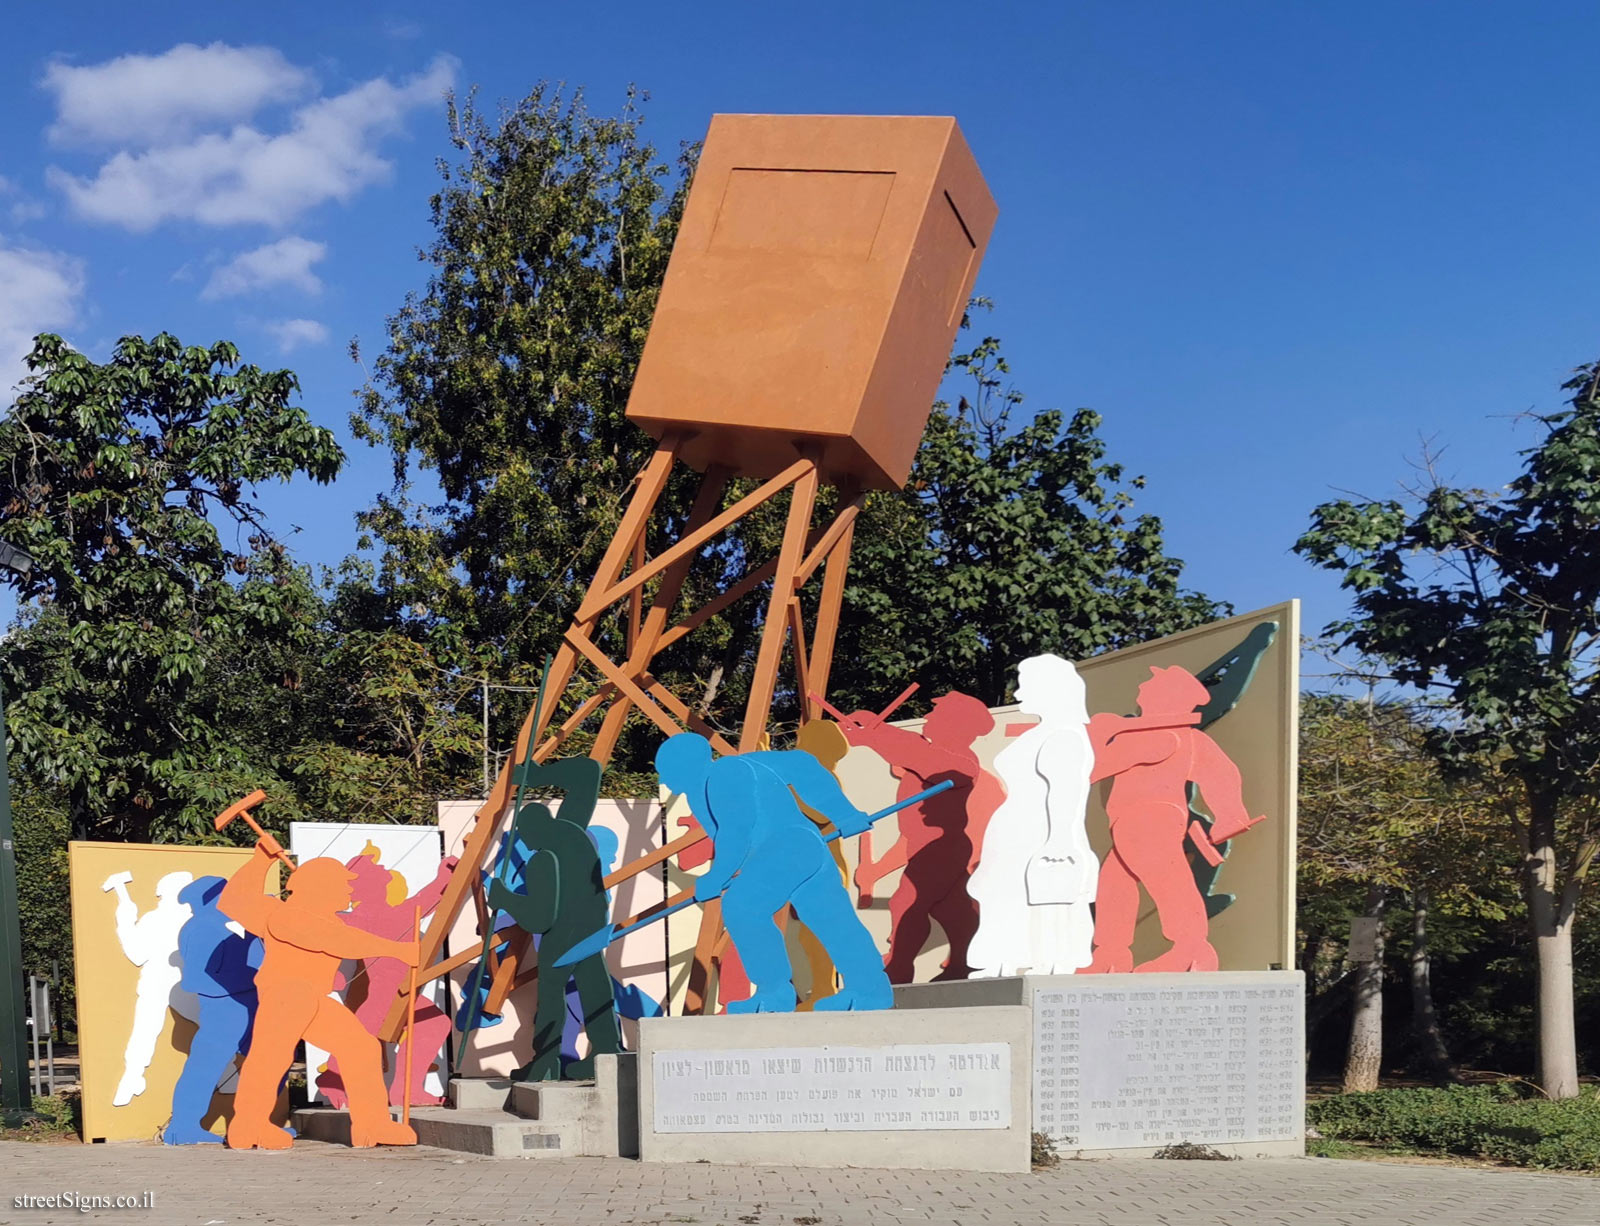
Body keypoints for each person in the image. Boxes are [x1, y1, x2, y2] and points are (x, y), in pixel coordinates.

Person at [655, 733, 892, 1012]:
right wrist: (844, 814)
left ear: (687, 766)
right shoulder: (726, 776)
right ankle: (870, 990)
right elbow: (802, 764)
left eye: (667, 773)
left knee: (743, 906)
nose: (664, 782)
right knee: (830, 917)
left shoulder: (725, 772)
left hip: (787, 847)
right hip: (802, 847)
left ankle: (774, 994)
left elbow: (736, 830)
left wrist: (716, 877)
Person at [219, 838, 419, 1149]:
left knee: (361, 1048)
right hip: (286, 994)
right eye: (343, 885)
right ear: (320, 886)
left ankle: (373, 1125)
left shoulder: (326, 918)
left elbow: (341, 935)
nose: (349, 891)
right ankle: (249, 1125)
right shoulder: (286, 915)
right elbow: (235, 901)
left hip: (313, 998)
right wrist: (261, 860)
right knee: (271, 1056)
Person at [1084, 665, 1264, 973]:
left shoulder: (1162, 737)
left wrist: (1097, 735)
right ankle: (1111, 955)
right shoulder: (1167, 735)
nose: (1143, 685)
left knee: (1167, 881)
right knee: (1116, 886)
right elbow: (1222, 773)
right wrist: (1230, 813)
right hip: (1131, 824)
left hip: (1149, 822)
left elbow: (1092, 769)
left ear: (1167, 696)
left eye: (1153, 682)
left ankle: (1192, 951)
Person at [838, 691, 1000, 982]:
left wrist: (875, 734)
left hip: (941, 846)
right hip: (931, 846)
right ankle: (963, 964)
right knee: (953, 909)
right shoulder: (933, 755)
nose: (927, 716)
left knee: (906, 902)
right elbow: (913, 749)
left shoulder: (961, 762)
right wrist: (876, 729)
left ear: (955, 723)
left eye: (936, 714)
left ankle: (899, 967)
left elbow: (919, 755)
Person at [486, 755, 620, 1082]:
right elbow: (588, 772)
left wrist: (505, 898)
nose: (526, 843)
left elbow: (539, 918)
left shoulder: (543, 859)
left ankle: (546, 1062)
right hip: (592, 924)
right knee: (595, 987)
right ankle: (607, 1052)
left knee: (551, 997)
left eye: (525, 835)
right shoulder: (572, 829)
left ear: (534, 829)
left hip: (565, 932)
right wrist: (538, 776)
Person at [966, 655, 1098, 977]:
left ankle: (1050, 959)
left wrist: (1060, 839)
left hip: (1040, 831)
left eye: (1026, 685)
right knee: (1005, 894)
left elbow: (1066, 789)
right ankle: (1003, 959)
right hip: (1014, 829)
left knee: (1045, 895)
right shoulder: (1039, 733)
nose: (1018, 693)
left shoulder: (1065, 735)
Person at [316, 846, 459, 1108]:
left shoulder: (389, 913)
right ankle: (336, 1079)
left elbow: (426, 900)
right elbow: (424, 901)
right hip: (386, 995)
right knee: (361, 1039)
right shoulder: (360, 917)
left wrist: (444, 878)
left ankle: (405, 1091)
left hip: (400, 992)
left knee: (431, 1024)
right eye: (377, 872)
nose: (385, 873)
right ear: (366, 885)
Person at [164, 876, 260, 1144]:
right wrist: (249, 981)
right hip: (223, 1011)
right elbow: (195, 978)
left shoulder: (229, 926)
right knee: (204, 1068)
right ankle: (182, 1128)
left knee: (267, 1065)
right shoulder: (202, 928)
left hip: (247, 1008)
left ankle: (255, 1124)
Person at [103, 869, 198, 1107]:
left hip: (176, 981)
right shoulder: (179, 920)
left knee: (145, 1031)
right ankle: (132, 1078)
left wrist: (126, 920)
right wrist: (126, 918)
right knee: (147, 1031)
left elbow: (136, 953)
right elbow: (137, 955)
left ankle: (132, 1077)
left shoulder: (162, 919)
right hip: (163, 981)